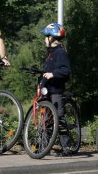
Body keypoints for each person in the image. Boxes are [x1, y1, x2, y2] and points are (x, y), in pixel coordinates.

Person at [41, 22, 72, 157]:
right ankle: (44, 146)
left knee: (58, 117)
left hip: (56, 90)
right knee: (45, 119)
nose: (44, 39)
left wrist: (53, 74)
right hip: (46, 90)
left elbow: (66, 70)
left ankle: (67, 147)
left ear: (52, 38)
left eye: (46, 36)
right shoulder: (50, 53)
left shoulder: (60, 53)